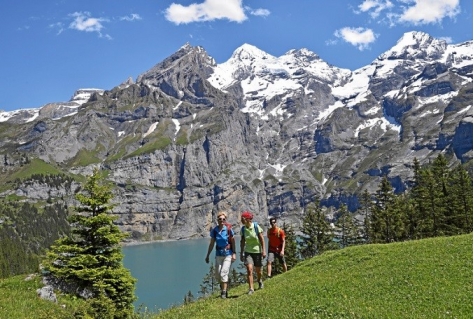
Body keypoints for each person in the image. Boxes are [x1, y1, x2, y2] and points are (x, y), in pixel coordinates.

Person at [205, 211, 236, 299]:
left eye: (223, 219)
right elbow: (211, 244)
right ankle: (223, 287)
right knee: (218, 274)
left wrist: (234, 253)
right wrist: (207, 255)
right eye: (220, 219)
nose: (222, 220)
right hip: (218, 255)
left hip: (228, 254)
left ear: (225, 220)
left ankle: (224, 292)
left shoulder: (228, 230)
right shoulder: (215, 231)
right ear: (217, 220)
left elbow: (233, 241)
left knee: (224, 273)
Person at [240, 211, 266, 295]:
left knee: (258, 271)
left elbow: (262, 239)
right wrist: (241, 253)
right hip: (248, 252)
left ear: (247, 219)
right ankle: (251, 288)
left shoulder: (256, 227)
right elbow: (242, 242)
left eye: (243, 218)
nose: (241, 220)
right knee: (249, 269)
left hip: (257, 251)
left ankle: (259, 280)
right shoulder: (243, 229)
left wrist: (264, 250)